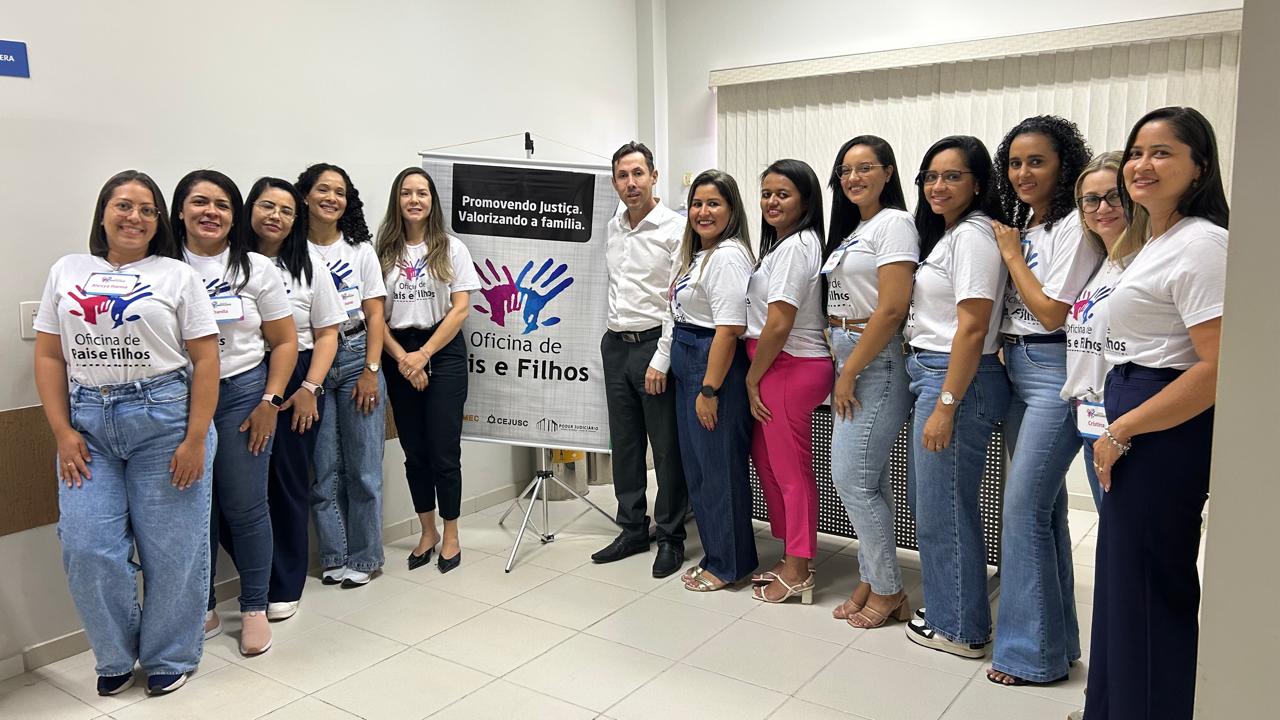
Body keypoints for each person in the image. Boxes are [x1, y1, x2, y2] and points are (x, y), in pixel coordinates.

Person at [34, 170, 219, 696]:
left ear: (159, 221)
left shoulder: (177, 276)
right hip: (88, 425)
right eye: (123, 205)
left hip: (165, 421)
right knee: (86, 545)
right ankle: (114, 654)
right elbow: (49, 355)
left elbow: (206, 360)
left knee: (174, 549)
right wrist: (61, 432)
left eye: (146, 209)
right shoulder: (67, 270)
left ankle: (170, 653)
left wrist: (195, 438)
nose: (134, 217)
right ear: (103, 213)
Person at [1083, 106, 1228, 720]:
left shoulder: (1203, 244)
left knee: (1148, 590)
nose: (1142, 164)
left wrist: (1123, 428)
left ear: (1199, 167)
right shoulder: (1158, 240)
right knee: (1123, 584)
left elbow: (1218, 367)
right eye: (1137, 151)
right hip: (1138, 408)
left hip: (1160, 425)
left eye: (1162, 152)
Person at [987, 116, 1098, 686]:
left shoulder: (1076, 224)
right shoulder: (1028, 223)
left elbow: (1054, 311)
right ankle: (1057, 645)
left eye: (1037, 161)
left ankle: (1027, 655)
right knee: (1046, 511)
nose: (1023, 173)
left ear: (1064, 165)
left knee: (1023, 510)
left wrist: (1011, 255)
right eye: (1015, 162)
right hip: (1017, 366)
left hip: (1054, 368)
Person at [174, 170, 296, 656]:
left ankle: (253, 608)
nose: (211, 212)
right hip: (177, 398)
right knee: (192, 510)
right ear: (180, 210)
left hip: (243, 394)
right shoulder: (162, 266)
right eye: (199, 202)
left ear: (234, 215)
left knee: (246, 507)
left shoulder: (255, 269)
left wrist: (271, 401)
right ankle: (201, 605)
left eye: (222, 204)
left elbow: (284, 342)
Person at [901, 136, 1010, 658]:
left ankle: (961, 629)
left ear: (978, 183)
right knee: (937, 504)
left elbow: (973, 327)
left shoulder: (972, 236)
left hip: (955, 379)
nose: (938, 186)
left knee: (944, 508)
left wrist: (946, 405)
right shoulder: (952, 235)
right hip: (938, 373)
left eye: (952, 176)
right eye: (931, 176)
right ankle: (952, 609)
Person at [822, 136, 918, 627]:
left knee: (851, 480)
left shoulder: (895, 223)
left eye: (865, 168)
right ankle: (872, 578)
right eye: (845, 170)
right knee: (869, 480)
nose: (853, 177)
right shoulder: (855, 229)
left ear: (888, 172)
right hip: (849, 353)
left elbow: (893, 308)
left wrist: (851, 370)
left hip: (875, 361)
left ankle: (888, 589)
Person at [243, 177, 346, 620]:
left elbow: (328, 333)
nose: (276, 217)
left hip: (298, 375)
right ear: (250, 209)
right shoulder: (230, 262)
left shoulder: (309, 266)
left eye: (286, 211)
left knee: (287, 483)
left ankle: (284, 584)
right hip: (241, 372)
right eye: (267, 206)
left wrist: (310, 388)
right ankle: (252, 578)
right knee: (238, 487)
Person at [593, 141, 689, 579]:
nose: (630, 183)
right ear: (615, 182)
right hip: (617, 345)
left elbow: (676, 300)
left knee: (666, 449)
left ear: (653, 176)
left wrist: (662, 358)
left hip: (655, 345)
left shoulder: (676, 228)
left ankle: (670, 537)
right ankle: (633, 528)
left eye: (637, 173)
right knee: (626, 445)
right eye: (622, 175)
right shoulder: (613, 227)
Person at [377, 167, 479, 574]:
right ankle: (427, 531)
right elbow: (374, 315)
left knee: (443, 451)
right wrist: (404, 358)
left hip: (443, 350)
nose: (414, 200)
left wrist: (424, 355)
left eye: (422, 193)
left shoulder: (451, 248)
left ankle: (451, 533)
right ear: (397, 200)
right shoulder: (382, 250)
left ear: (432, 201)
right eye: (406, 193)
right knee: (414, 452)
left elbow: (461, 309)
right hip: (397, 351)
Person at [745, 158, 833, 605]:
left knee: (791, 472)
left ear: (806, 200)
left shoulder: (798, 246)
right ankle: (791, 555)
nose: (772, 202)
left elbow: (779, 322)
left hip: (787, 365)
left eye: (783, 194)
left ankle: (799, 569)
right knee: (769, 463)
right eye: (766, 194)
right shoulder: (784, 245)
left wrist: (752, 379)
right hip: (776, 365)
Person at [297, 163, 388, 588]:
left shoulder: (359, 250)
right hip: (312, 359)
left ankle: (366, 557)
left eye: (339, 192)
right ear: (305, 195)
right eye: (323, 189)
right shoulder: (292, 249)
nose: (331, 198)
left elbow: (375, 314)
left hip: (354, 355)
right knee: (324, 469)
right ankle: (334, 554)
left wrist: (371, 369)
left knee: (364, 469)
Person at [668, 169, 758, 592]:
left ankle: (729, 564)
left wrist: (709, 389)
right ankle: (717, 554)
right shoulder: (702, 253)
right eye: (696, 204)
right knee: (701, 468)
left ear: (731, 209)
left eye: (713, 203)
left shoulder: (727, 256)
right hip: (690, 355)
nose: (703, 212)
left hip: (711, 363)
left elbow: (729, 328)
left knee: (719, 468)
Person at [1060, 152, 1144, 510]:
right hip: (1089, 416)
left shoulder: (1144, 264)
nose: (1102, 208)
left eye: (1114, 196)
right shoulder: (1101, 265)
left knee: (1129, 527)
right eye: (1091, 200)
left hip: (1124, 421)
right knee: (1111, 526)